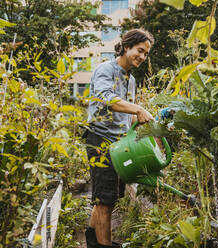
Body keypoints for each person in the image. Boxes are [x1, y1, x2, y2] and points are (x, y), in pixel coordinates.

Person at [84, 29, 154, 248]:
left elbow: (126, 116)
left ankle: (93, 241)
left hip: (117, 144)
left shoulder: (129, 79)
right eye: (139, 51)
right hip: (101, 141)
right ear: (126, 47)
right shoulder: (106, 69)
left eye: (146, 54)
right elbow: (107, 99)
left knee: (107, 199)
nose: (142, 57)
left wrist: (144, 126)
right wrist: (138, 108)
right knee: (105, 201)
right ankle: (103, 244)